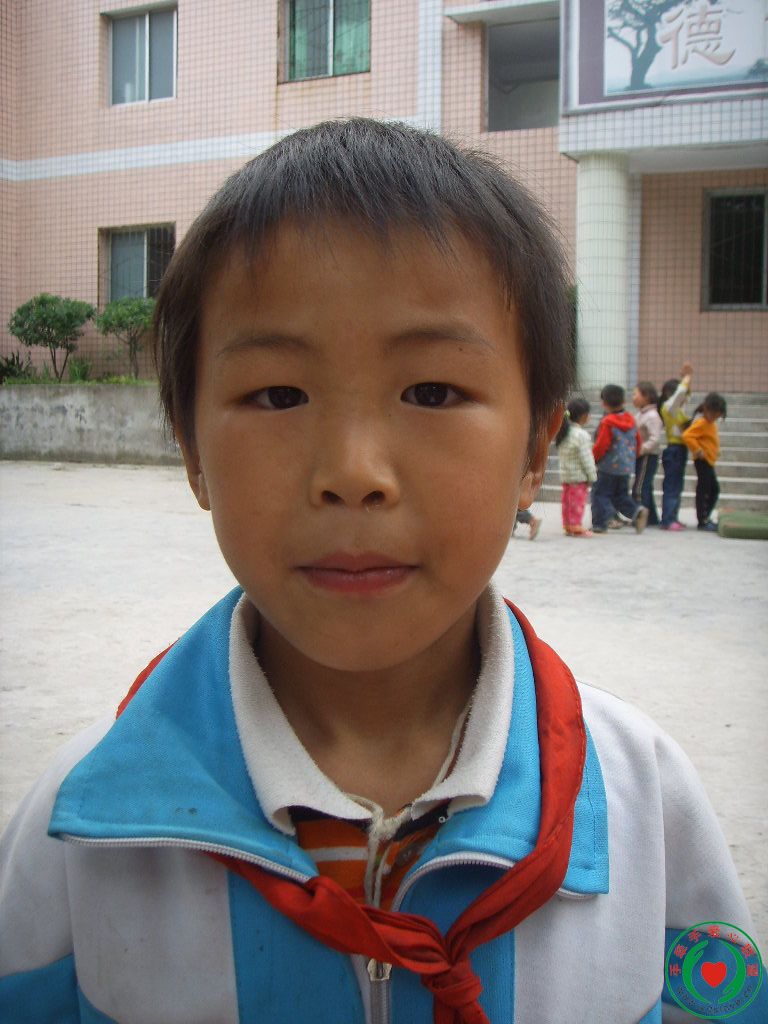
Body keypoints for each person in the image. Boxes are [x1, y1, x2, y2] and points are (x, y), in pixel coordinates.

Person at [1, 119, 763, 1024]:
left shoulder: (644, 802)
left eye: (432, 392)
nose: (354, 473)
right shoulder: (82, 826)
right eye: (278, 394)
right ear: (192, 451)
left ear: (535, 450)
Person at [590, 384, 649, 534]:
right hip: (626, 467)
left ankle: (599, 524)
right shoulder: (631, 419)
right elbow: (638, 442)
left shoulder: (607, 422)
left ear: (603, 403)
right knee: (620, 496)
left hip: (607, 467)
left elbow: (602, 445)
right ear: (623, 401)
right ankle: (637, 512)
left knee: (599, 494)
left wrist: (593, 458)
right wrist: (632, 458)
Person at [682, 392, 728, 532]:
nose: (714, 418)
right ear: (706, 409)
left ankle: (705, 516)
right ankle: (702, 520)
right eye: (713, 415)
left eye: (717, 416)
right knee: (705, 489)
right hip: (703, 461)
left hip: (709, 460)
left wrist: (715, 450)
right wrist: (697, 450)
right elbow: (687, 435)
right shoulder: (702, 422)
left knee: (714, 489)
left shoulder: (710, 423)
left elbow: (710, 440)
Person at [554, 397, 596, 536]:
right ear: (584, 416)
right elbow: (586, 458)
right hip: (578, 476)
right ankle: (575, 526)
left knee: (567, 501)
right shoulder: (581, 435)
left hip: (566, 475)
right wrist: (592, 475)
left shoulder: (564, 432)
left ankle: (567, 524)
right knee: (577, 502)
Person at [659, 364, 693, 531]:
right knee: (672, 486)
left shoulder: (679, 410)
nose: (685, 399)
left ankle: (673, 517)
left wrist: (686, 383)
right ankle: (668, 519)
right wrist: (686, 378)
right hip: (674, 450)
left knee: (677, 486)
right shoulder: (669, 408)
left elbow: (684, 395)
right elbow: (680, 394)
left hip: (681, 449)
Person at [631, 381, 663, 526]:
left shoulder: (652, 416)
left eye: (635, 394)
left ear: (646, 396)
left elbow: (655, 439)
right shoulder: (641, 414)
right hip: (641, 455)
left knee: (639, 488)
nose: (633, 397)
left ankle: (640, 517)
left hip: (647, 456)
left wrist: (641, 449)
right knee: (646, 487)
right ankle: (652, 519)